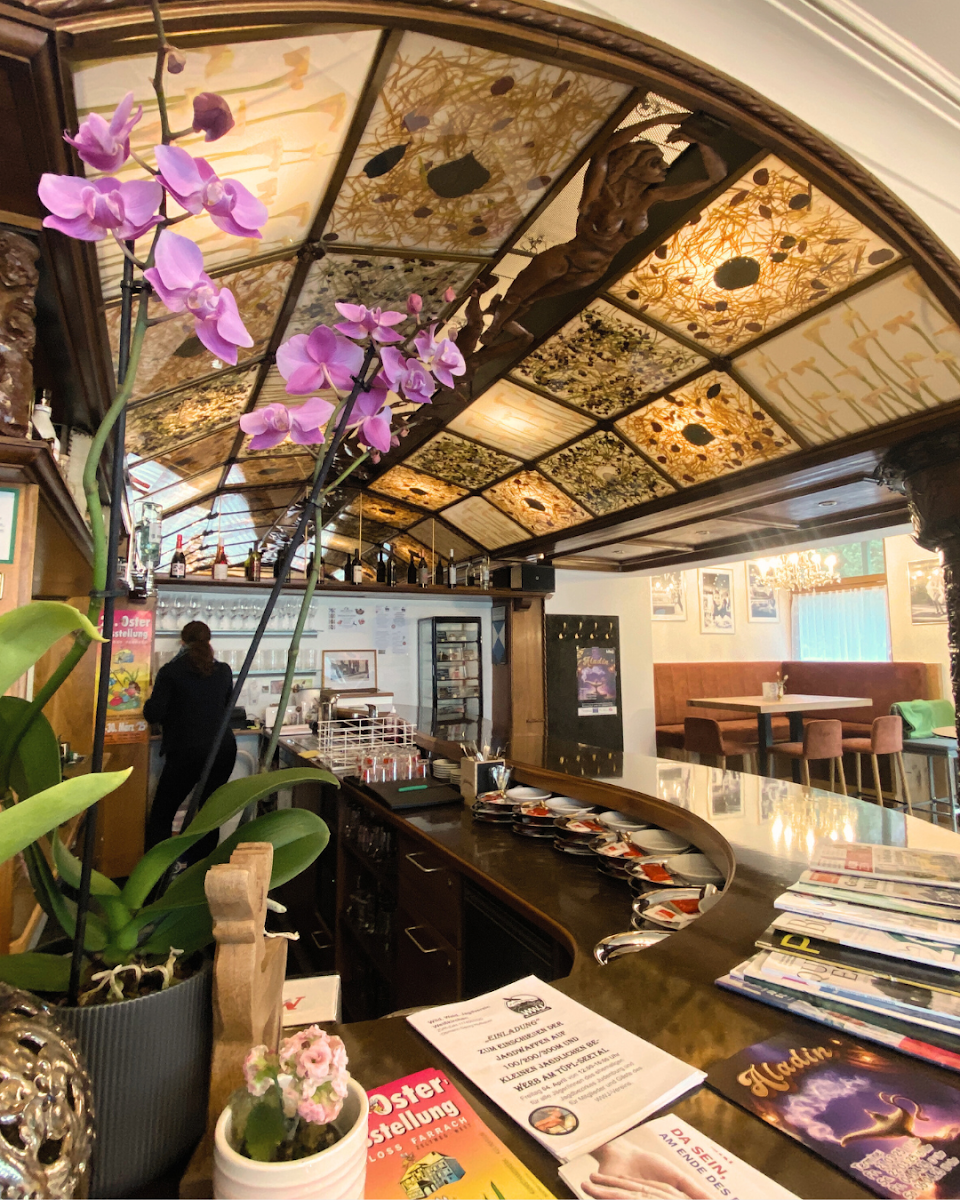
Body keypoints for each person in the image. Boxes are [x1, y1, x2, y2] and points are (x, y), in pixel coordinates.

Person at [143, 620, 236, 856]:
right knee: (208, 813)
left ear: (182, 642)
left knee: (162, 814)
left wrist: (146, 700)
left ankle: (157, 871)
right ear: (209, 641)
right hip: (222, 749)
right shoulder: (224, 671)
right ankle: (201, 870)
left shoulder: (170, 672)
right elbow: (227, 706)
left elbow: (154, 713)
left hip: (187, 751)